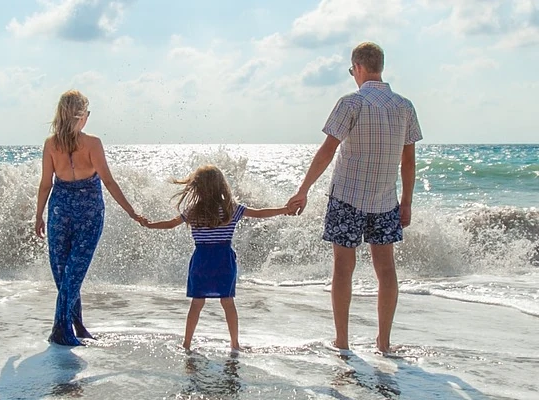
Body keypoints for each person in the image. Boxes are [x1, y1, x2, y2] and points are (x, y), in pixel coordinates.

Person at [286, 42, 422, 354]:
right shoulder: (405, 106)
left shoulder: (351, 103)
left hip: (347, 197)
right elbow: (409, 162)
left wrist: (303, 189)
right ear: (381, 67)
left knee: (343, 268)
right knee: (386, 269)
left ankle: (342, 341)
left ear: (358, 67)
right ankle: (384, 342)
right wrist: (407, 202)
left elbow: (327, 151)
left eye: (352, 70)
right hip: (386, 200)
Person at [34, 89, 144, 346]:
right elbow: (107, 180)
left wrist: (38, 215)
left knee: (66, 273)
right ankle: (62, 329)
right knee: (71, 273)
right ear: (81, 116)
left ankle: (75, 325)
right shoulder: (92, 143)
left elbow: (45, 185)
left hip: (60, 210)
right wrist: (131, 211)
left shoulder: (51, 144)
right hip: (89, 212)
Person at [142, 165, 290, 351]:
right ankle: (235, 344)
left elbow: (171, 224)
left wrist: (149, 225)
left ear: (197, 187)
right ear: (221, 186)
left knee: (197, 303)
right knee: (227, 302)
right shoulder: (231, 209)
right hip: (223, 261)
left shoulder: (193, 211)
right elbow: (259, 213)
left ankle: (187, 343)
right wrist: (284, 209)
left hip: (201, 261)